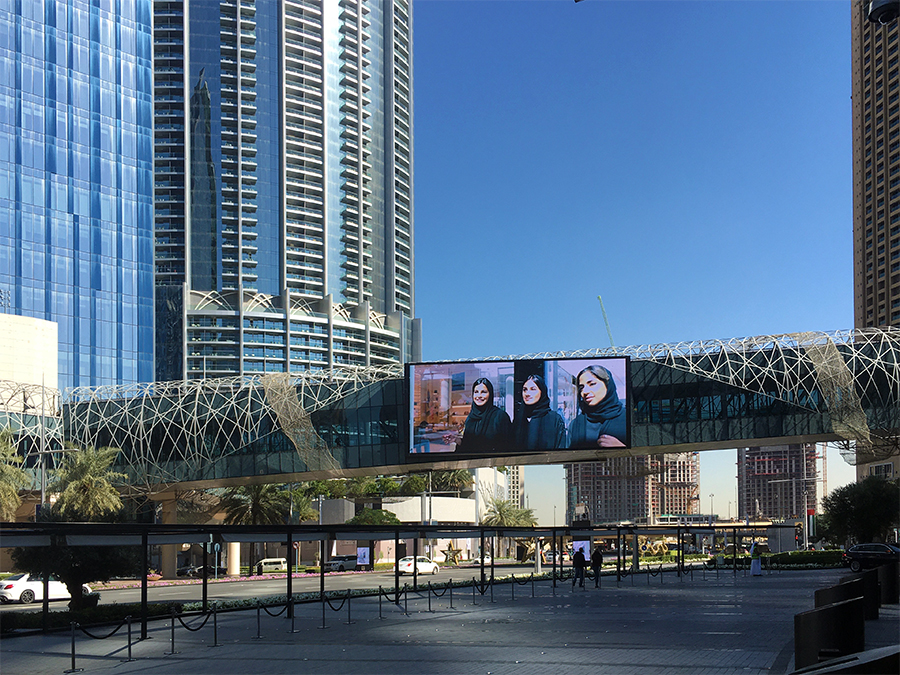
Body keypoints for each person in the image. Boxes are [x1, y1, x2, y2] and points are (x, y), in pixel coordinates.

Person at [568, 365, 628, 449]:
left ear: (607, 385)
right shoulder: (576, 424)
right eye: (581, 387)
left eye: (592, 384)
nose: (584, 392)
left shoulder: (626, 418)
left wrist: (622, 448)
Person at [448, 378, 512, 454]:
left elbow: (507, 446)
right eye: (476, 392)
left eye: (483, 392)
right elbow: (468, 445)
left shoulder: (500, 416)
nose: (479, 396)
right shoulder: (470, 418)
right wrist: (457, 440)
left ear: (490, 394)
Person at [512, 374, 566, 450]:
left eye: (533, 389)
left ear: (542, 392)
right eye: (525, 389)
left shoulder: (554, 419)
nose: (527, 393)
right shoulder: (519, 419)